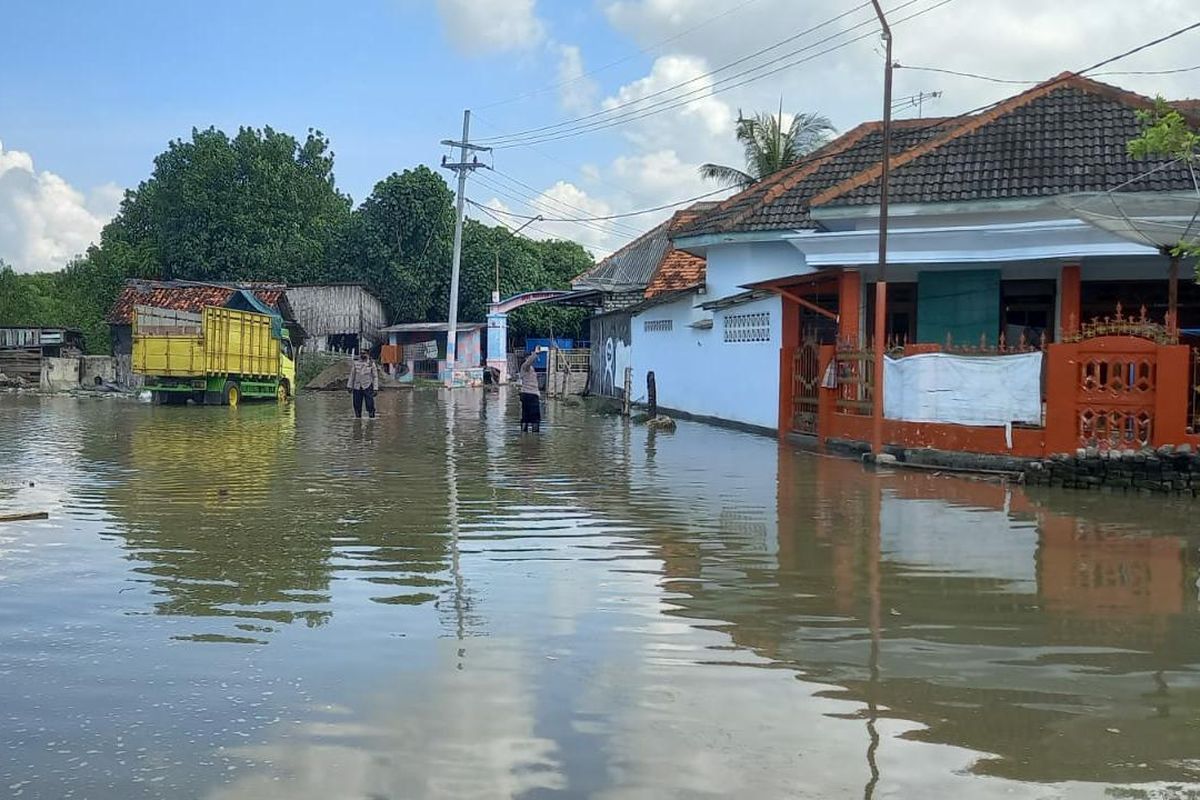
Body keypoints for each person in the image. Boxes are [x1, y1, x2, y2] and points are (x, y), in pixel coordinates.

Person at [347, 351, 380, 419]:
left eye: (364, 353)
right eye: (361, 353)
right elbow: (352, 375)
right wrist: (349, 386)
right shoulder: (356, 363)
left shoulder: (371, 364)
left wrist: (375, 388)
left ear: (368, 354)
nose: (363, 355)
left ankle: (371, 418)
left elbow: (375, 377)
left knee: (370, 404)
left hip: (367, 386)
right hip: (357, 387)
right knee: (356, 404)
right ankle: (358, 418)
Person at [519, 347, 544, 433]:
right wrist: (535, 353)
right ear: (527, 358)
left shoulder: (529, 369)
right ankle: (535, 438)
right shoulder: (525, 366)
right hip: (530, 395)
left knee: (526, 417)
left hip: (528, 394)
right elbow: (528, 362)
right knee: (535, 418)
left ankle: (525, 437)